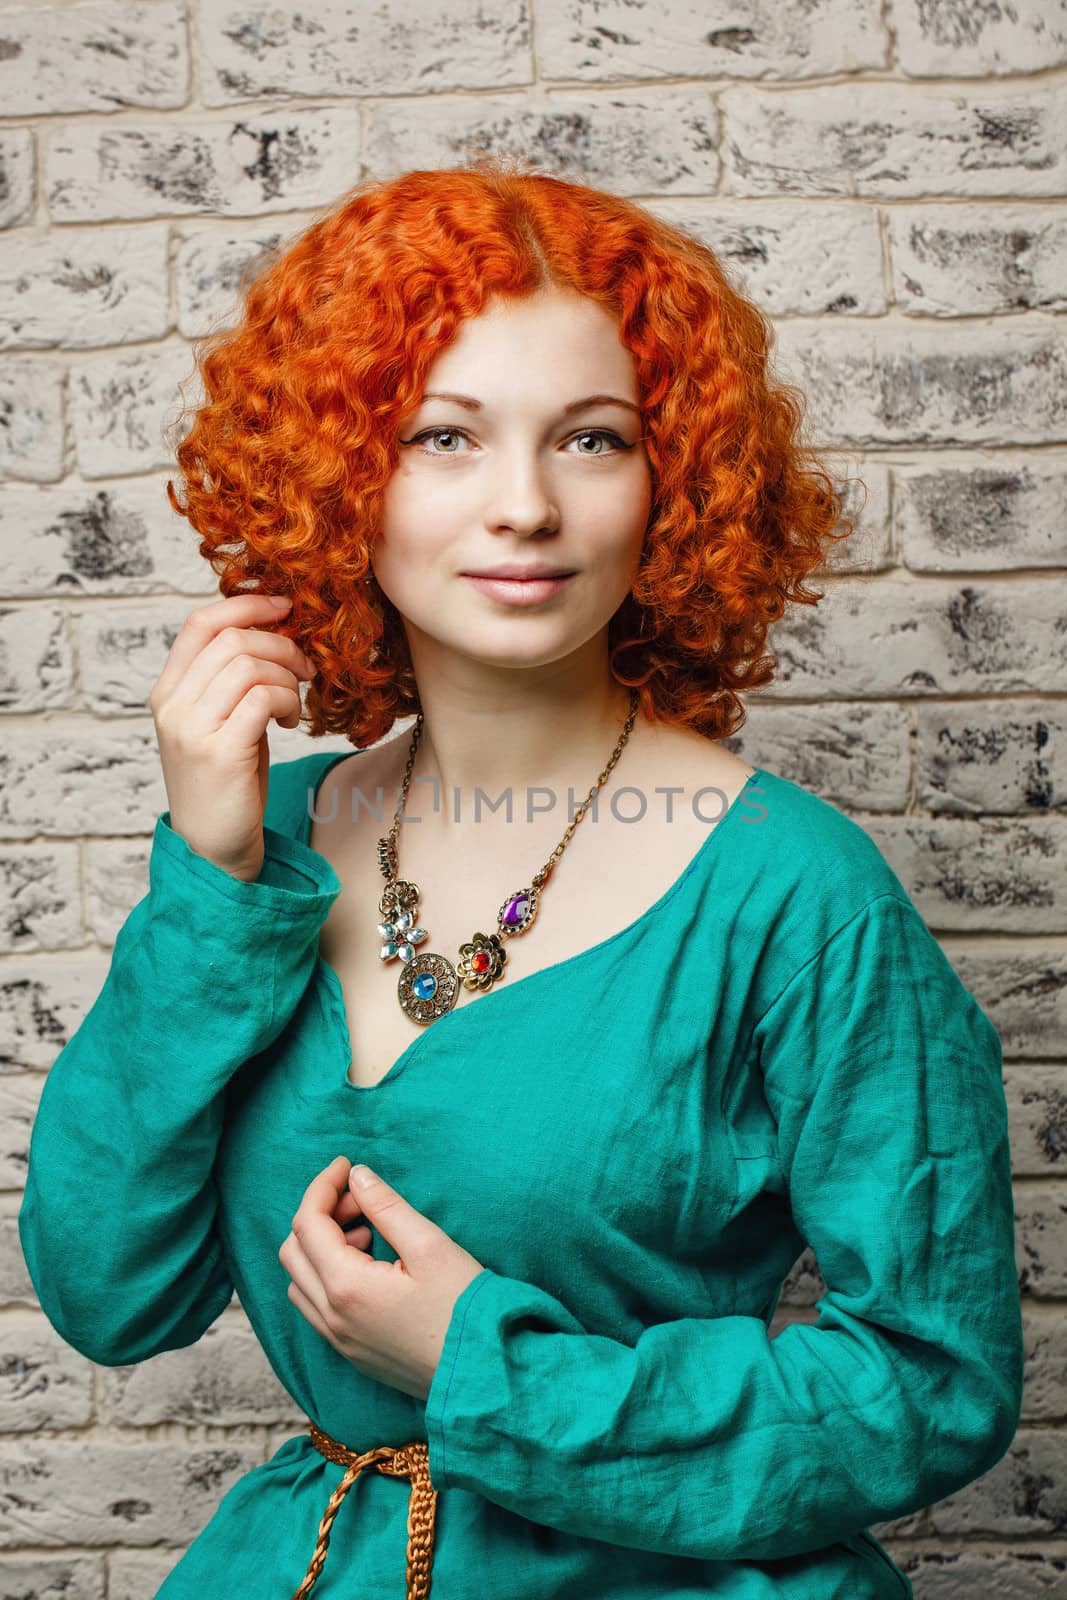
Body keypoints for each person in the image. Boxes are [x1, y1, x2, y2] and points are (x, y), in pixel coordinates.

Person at [18, 158, 1022, 1599]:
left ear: (677, 481)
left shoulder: (797, 892)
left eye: (594, 440)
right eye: (442, 437)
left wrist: (485, 1366)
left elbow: (934, 1381)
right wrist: (211, 875)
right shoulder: (263, 840)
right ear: (340, 475)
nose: (526, 508)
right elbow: (110, 1294)